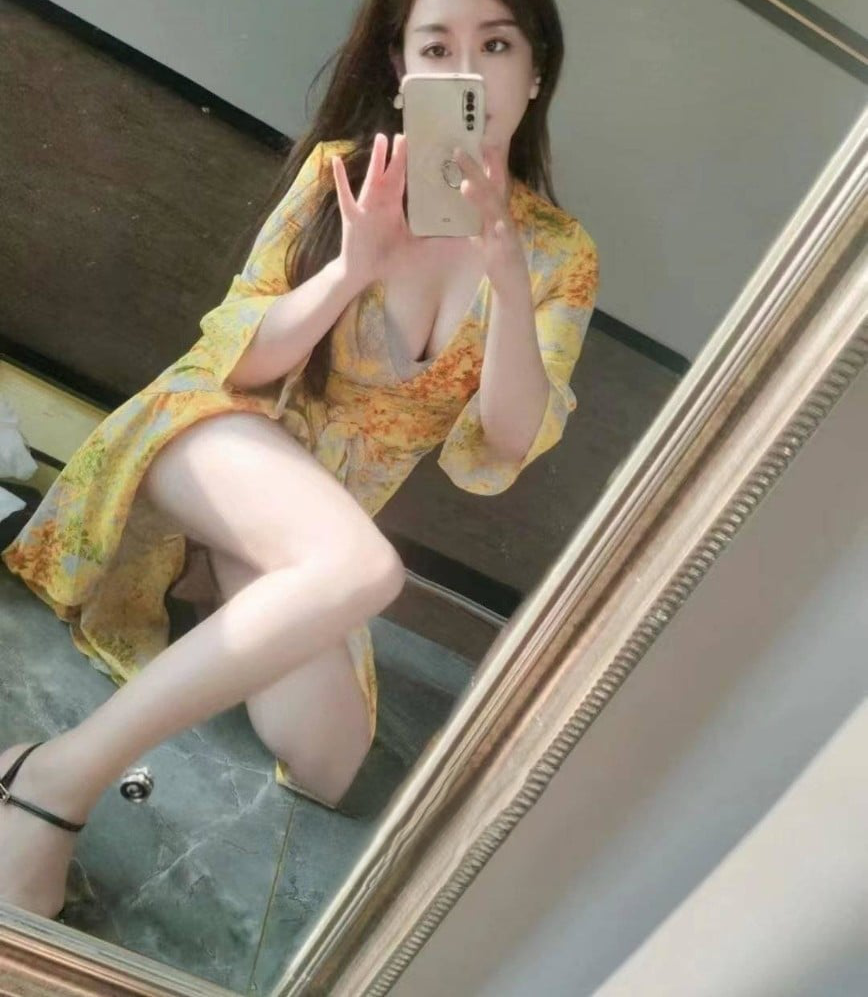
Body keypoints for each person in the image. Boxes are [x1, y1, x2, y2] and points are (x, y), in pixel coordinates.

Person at [0, 0, 598, 920]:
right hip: (219, 427)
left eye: (495, 43)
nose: (466, 69)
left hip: (318, 516)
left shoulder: (559, 254)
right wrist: (353, 267)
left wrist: (509, 281)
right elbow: (240, 362)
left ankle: (236, 569)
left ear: (536, 70)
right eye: (437, 45)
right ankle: (53, 781)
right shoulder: (344, 176)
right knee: (365, 570)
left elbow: (508, 440)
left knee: (326, 761)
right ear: (401, 68)